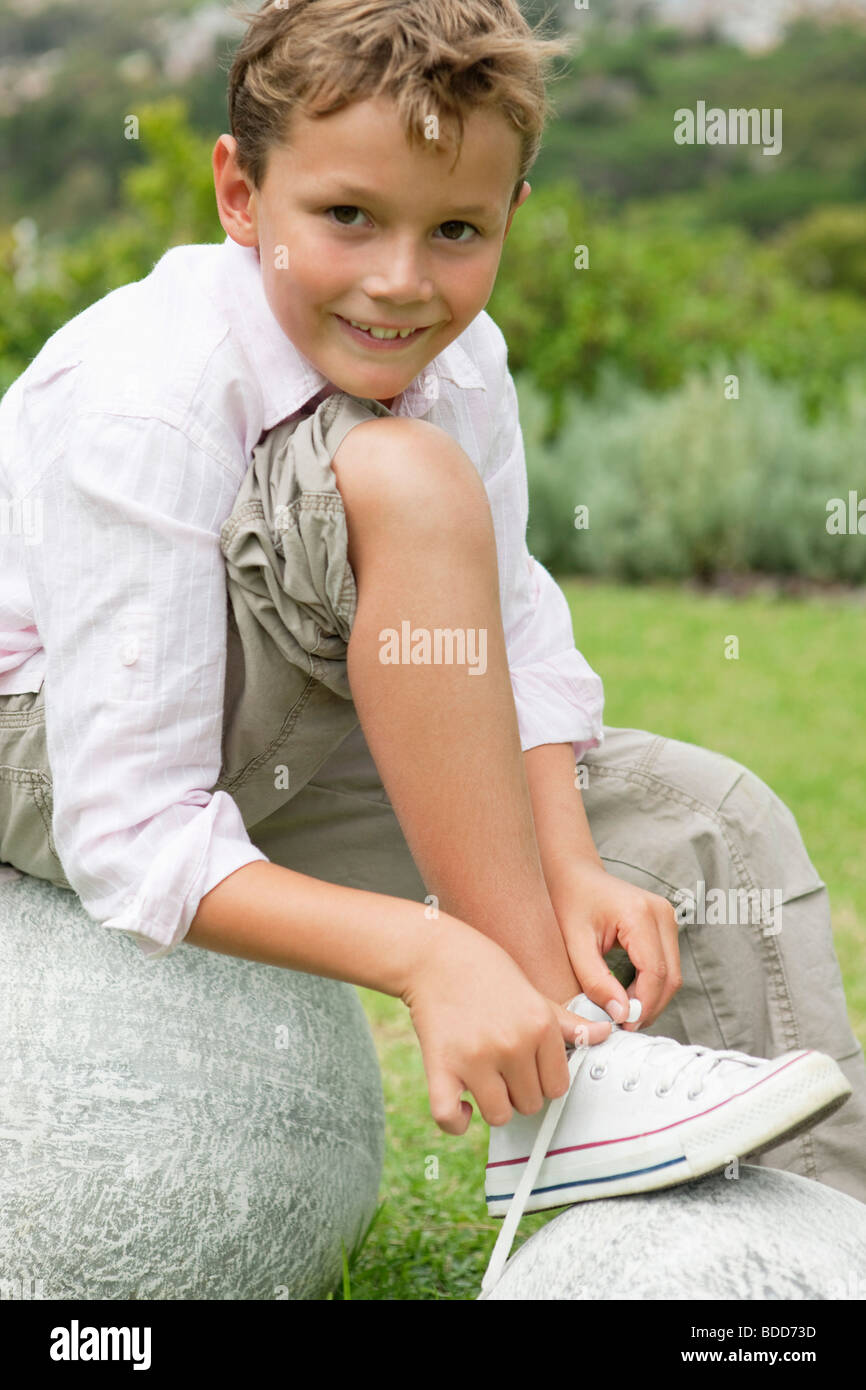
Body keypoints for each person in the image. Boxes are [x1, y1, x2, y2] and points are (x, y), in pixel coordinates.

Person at [0, 0, 863, 1260]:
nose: (401, 281)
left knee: (698, 823)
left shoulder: (465, 363)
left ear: (510, 216)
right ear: (240, 194)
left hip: (282, 730)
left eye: (454, 229)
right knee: (398, 475)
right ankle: (565, 1043)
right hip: (46, 742)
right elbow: (128, 826)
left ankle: (807, 1258)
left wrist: (566, 863)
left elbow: (512, 643)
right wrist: (433, 952)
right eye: (346, 217)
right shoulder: (149, 395)